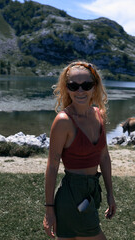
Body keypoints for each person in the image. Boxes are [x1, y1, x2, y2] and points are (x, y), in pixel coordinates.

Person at [43, 61, 116, 239]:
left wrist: (110, 195)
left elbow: (104, 157)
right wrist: (49, 210)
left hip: (91, 190)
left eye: (86, 85)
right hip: (72, 193)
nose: (80, 91)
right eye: (73, 86)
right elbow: (52, 167)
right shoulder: (63, 121)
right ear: (66, 89)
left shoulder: (99, 114)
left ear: (95, 87)